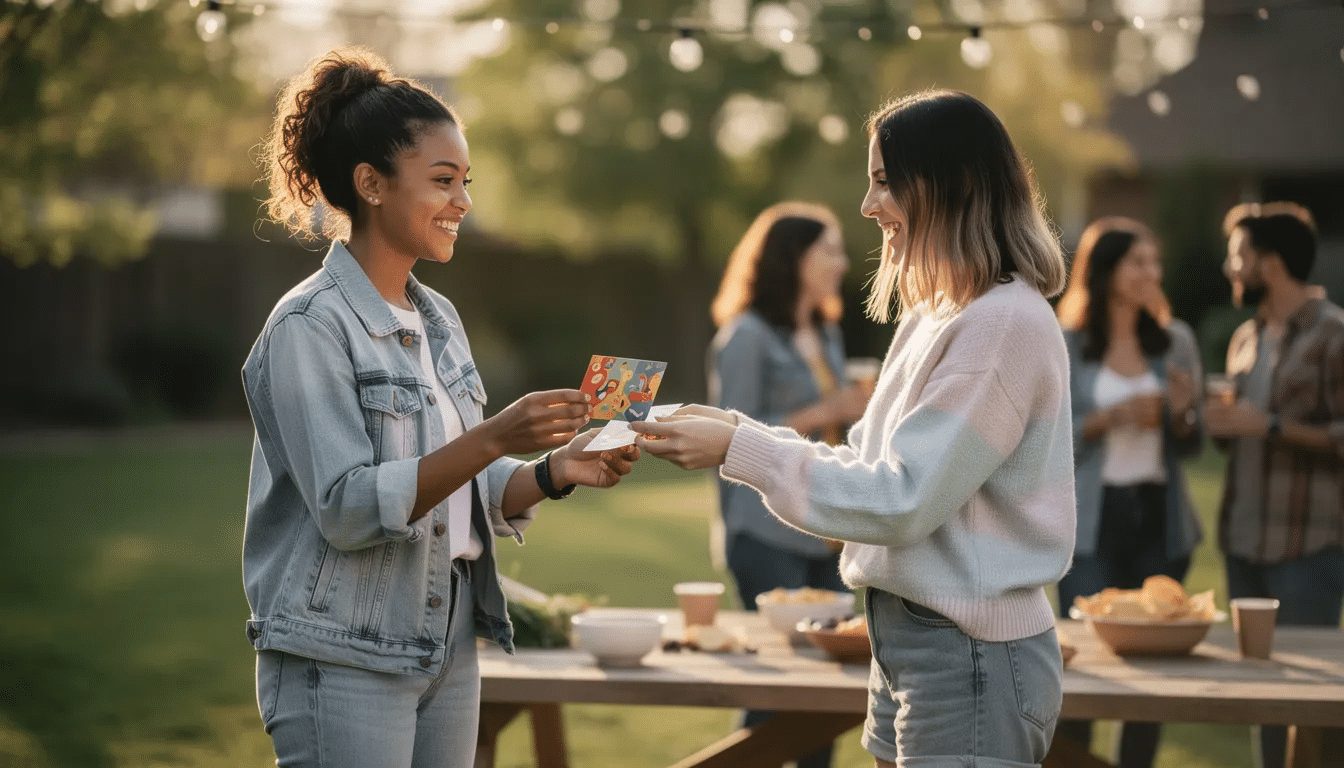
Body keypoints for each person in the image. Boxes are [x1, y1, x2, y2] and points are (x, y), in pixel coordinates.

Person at [631, 89, 1075, 767]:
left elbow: (901, 500)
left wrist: (740, 446)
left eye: (882, 182)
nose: (868, 207)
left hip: (971, 659)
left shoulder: (1002, 324)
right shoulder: (933, 314)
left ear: (946, 184)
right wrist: (737, 429)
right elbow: (867, 462)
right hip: (906, 643)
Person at [240, 48, 639, 768]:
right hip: (344, 655)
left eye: (466, 183)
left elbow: (456, 486)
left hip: (447, 643)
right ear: (371, 185)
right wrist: (492, 437)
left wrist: (554, 470)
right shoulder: (309, 327)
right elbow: (348, 506)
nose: (464, 202)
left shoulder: (439, 319)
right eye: (443, 181)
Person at [706, 201, 870, 768]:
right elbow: (731, 429)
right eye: (829, 249)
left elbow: (830, 424)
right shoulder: (746, 336)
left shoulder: (824, 332)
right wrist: (831, 405)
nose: (842, 262)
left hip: (824, 525)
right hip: (763, 531)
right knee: (778, 684)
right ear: (792, 258)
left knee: (824, 683)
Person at [1053, 217, 1204, 767]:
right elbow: (1041, 442)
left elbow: (1191, 447)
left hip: (1159, 518)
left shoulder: (1176, 339)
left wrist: (1184, 414)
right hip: (1090, 520)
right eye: (1138, 261)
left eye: (1154, 262)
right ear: (1106, 269)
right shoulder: (1066, 344)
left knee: (1154, 673)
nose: (1151, 272)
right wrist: (1109, 418)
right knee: (1084, 664)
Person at [1206, 203, 1344, 768]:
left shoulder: (1334, 334)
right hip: (1244, 542)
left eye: (1239, 256)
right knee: (1259, 690)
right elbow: (1239, 433)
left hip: (1305, 545)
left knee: (1313, 696)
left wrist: (1270, 425)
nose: (1229, 268)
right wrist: (1210, 420)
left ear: (1272, 261)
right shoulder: (1246, 336)